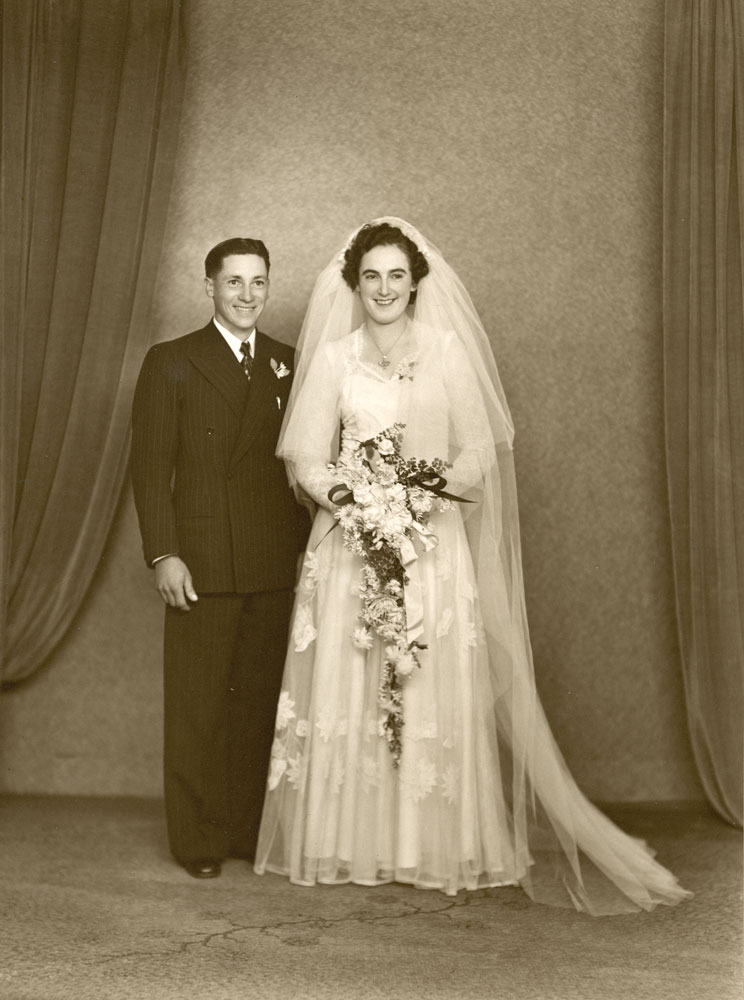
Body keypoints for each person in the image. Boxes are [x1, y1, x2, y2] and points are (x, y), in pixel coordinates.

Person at [253, 218, 692, 914]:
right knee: (358, 686)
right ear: (354, 283)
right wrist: (354, 498)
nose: (385, 288)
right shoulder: (335, 359)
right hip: (352, 545)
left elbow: (480, 449)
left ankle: (429, 847)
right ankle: (356, 845)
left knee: (423, 683)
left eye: (398, 275)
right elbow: (306, 455)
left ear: (416, 282)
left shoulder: (447, 351)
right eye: (372, 275)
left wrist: (428, 492)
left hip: (431, 545)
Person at [131, 237, 308, 879]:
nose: (246, 295)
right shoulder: (172, 361)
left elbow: (302, 469)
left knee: (256, 705)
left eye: (258, 282)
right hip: (201, 560)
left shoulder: (290, 363)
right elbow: (150, 471)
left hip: (269, 560)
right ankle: (197, 840)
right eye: (233, 282)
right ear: (209, 287)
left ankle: (242, 830)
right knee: (199, 705)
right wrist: (163, 555)